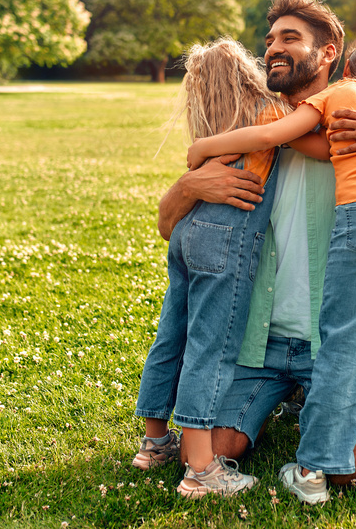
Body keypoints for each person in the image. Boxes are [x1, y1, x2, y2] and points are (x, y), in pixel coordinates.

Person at [144, 0, 356, 491]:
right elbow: (170, 227)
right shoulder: (250, 130)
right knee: (208, 449)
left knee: (352, 469)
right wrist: (189, 186)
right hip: (259, 345)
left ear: (328, 52)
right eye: (269, 39)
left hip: (333, 344)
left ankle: (310, 406)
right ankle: (285, 399)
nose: (273, 48)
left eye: (290, 38)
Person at [132, 38, 329, 498]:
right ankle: (202, 471)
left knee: (171, 335)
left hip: (188, 232)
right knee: (211, 348)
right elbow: (316, 148)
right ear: (246, 73)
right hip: (226, 239)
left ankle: (154, 442)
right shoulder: (270, 113)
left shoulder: (211, 126)